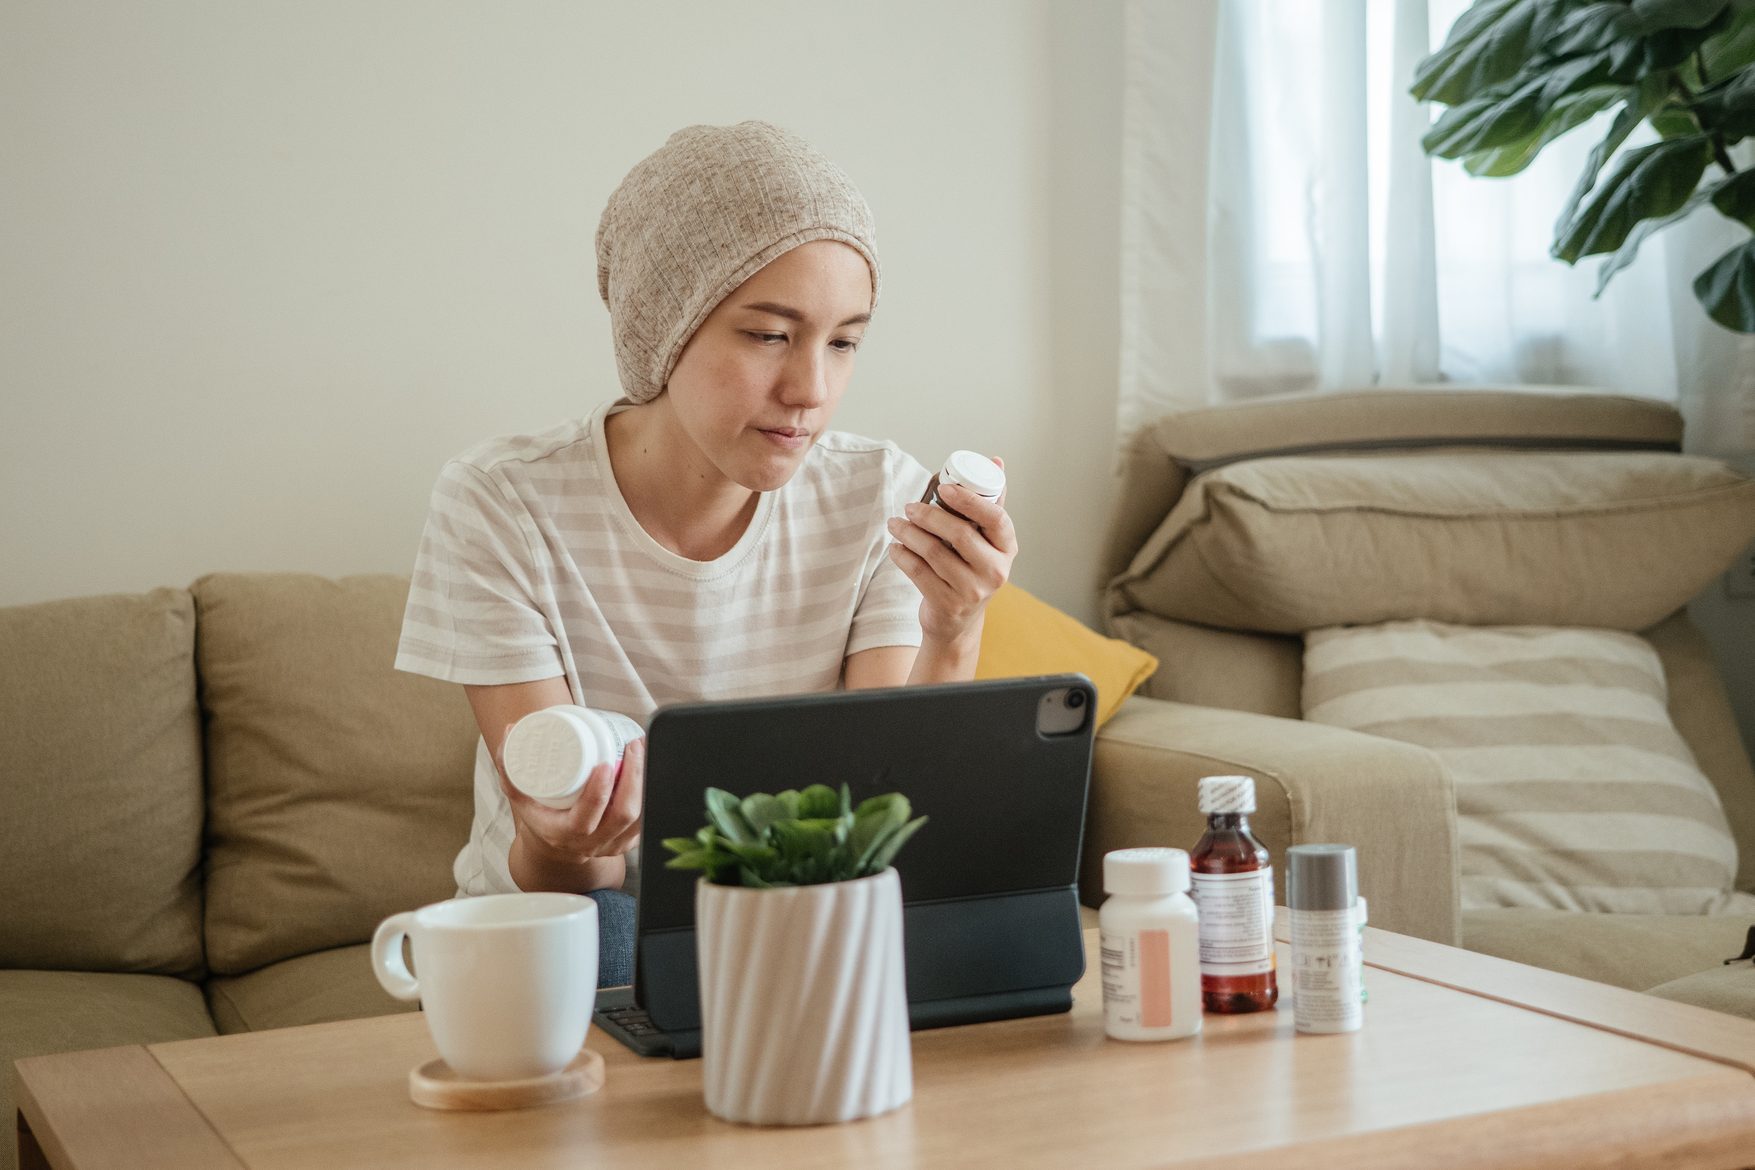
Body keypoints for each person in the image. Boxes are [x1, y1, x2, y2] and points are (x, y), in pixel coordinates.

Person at [394, 121, 1017, 984]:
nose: (810, 391)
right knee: (604, 951)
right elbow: (574, 873)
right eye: (768, 335)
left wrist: (952, 630)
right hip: (561, 917)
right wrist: (563, 836)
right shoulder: (501, 501)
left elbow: (884, 824)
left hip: (794, 894)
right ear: (664, 329)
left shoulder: (876, 495)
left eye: (843, 342)